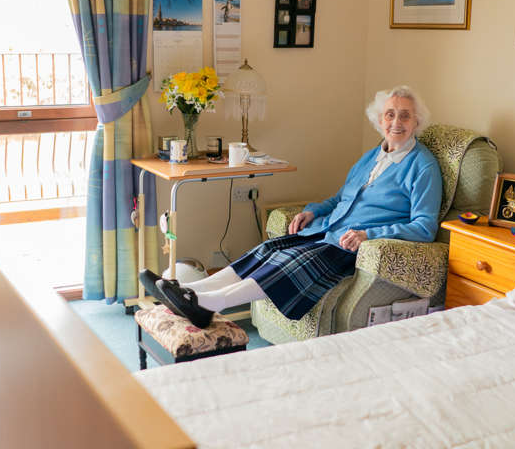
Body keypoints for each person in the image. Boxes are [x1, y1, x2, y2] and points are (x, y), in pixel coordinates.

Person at [140, 85, 444, 327]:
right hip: (327, 229)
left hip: (351, 246)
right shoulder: (372, 156)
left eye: (405, 116)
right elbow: (340, 199)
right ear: (380, 120)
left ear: (417, 122)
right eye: (390, 114)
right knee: (266, 250)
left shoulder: (422, 166)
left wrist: (369, 235)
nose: (396, 122)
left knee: (286, 264)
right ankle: (188, 291)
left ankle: (206, 303)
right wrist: (313, 210)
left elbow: (424, 227)